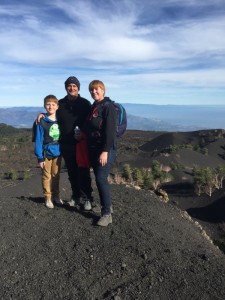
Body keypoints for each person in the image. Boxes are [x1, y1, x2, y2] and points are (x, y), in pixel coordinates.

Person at [36, 76, 93, 210]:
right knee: (72, 172)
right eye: (69, 86)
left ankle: (87, 198)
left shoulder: (85, 103)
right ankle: (75, 196)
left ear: (78, 88)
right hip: (65, 144)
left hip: (81, 144)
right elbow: (51, 112)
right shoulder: (60, 103)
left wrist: (84, 134)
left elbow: (91, 122)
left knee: (83, 172)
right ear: (66, 87)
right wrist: (41, 115)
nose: (72, 88)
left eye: (74, 86)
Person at [84, 80, 117, 226]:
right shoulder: (95, 107)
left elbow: (110, 132)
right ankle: (108, 206)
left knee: (101, 179)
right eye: (92, 90)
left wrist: (105, 151)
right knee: (99, 178)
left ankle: (107, 214)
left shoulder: (108, 107)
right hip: (93, 148)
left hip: (104, 149)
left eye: (97, 89)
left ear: (103, 90)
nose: (94, 92)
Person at [34, 95, 62, 209]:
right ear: (44, 106)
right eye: (48, 104)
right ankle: (48, 197)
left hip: (58, 152)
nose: (50, 107)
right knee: (46, 176)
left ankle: (56, 196)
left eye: (53, 104)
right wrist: (39, 157)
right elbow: (38, 139)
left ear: (57, 106)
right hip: (46, 153)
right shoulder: (41, 121)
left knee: (56, 175)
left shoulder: (60, 119)